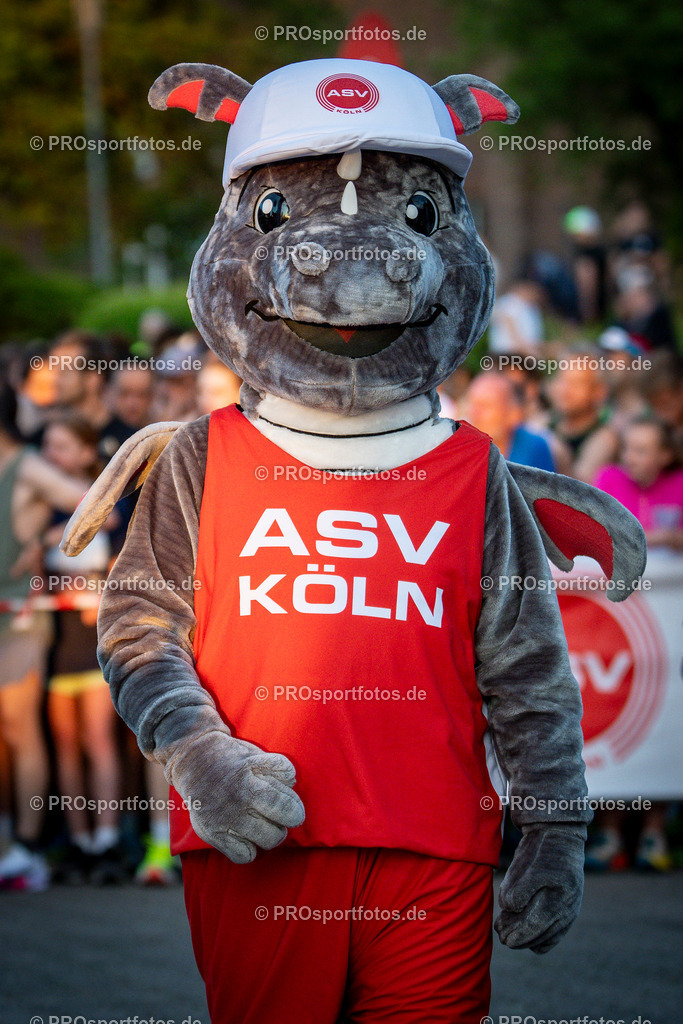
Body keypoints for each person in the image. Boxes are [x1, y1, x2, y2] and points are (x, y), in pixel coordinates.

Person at [0, 384, 85, 891]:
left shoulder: (26, 466)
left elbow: (92, 502)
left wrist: (45, 540)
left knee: (20, 729)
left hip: (21, 617)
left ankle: (29, 847)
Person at [42, 416, 123, 883]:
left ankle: (108, 841)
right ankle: (78, 841)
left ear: (86, 452)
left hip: (96, 640)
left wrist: (104, 590)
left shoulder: (109, 500)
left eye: (61, 446)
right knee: (66, 745)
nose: (50, 455)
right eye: (48, 446)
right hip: (55, 639)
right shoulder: (40, 504)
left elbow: (126, 561)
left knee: (98, 740)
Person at [594, 416, 683, 551]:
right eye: (626, 448)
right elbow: (595, 532)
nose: (629, 458)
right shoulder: (609, 478)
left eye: (640, 451)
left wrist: (672, 537)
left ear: (665, 455)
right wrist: (660, 537)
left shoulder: (679, 483)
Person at [548, 356, 620, 482]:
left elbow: (580, 488)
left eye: (576, 383)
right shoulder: (542, 423)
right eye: (561, 380)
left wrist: (557, 453)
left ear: (599, 392)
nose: (565, 390)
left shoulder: (604, 439)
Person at [464, 371, 555, 471]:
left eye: (485, 406)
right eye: (472, 404)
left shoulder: (534, 448)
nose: (474, 413)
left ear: (514, 415)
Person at [488, 280, 545, 355]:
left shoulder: (531, 307)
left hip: (524, 351)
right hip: (509, 352)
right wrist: (525, 349)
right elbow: (509, 325)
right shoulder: (511, 301)